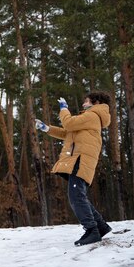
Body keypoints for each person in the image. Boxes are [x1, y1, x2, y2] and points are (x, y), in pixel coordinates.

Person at [35, 91, 113, 246]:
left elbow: (68, 123)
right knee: (79, 195)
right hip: (79, 159)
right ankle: (101, 226)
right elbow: (68, 132)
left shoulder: (92, 116)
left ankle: (92, 230)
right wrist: (46, 128)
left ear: (95, 102)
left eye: (86, 101)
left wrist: (64, 108)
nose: (83, 104)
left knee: (76, 196)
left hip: (81, 159)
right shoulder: (91, 117)